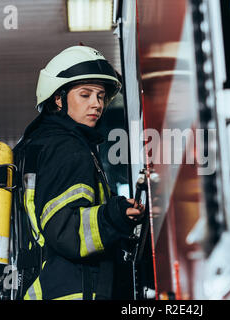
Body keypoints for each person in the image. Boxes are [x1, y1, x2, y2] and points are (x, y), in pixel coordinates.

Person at [13, 45, 144, 300]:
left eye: (101, 96)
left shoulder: (41, 144)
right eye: (85, 94)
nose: (96, 104)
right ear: (59, 99)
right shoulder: (65, 147)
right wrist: (113, 216)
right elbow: (67, 232)